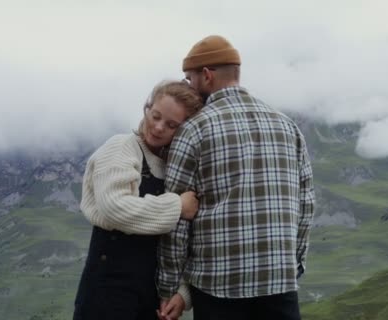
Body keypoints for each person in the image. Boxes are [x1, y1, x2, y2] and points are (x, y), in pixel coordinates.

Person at [156, 35, 315, 320]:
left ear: (206, 76)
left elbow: (176, 217)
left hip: (218, 288)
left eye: (190, 78)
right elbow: (306, 206)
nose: (189, 86)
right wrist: (293, 265)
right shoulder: (287, 127)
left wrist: (169, 286)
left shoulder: (193, 130)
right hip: (279, 284)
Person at [73, 80, 204, 320]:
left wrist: (183, 293)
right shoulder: (121, 148)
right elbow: (115, 207)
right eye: (155, 116)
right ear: (148, 107)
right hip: (106, 295)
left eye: (171, 125)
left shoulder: (174, 168)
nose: (158, 127)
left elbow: (188, 241)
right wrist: (177, 206)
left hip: (152, 300)